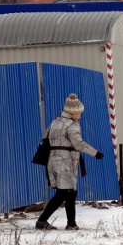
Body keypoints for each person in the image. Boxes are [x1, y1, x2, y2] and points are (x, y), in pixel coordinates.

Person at [35, 93, 104, 230]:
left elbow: (46, 139)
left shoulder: (55, 122)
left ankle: (71, 224)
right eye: (79, 113)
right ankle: (42, 221)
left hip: (53, 161)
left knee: (70, 192)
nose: (80, 115)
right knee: (63, 194)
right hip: (65, 162)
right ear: (72, 113)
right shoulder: (72, 125)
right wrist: (95, 153)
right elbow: (78, 144)